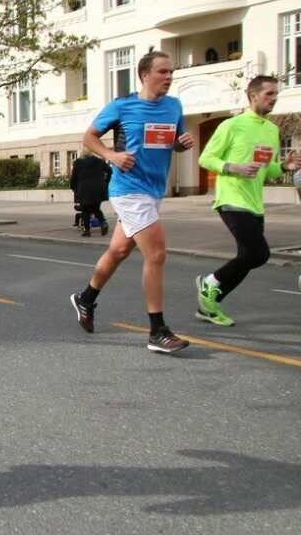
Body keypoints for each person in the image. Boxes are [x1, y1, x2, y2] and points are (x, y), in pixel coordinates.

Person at [69, 50, 195, 354]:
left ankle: (85, 298)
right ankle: (157, 331)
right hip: (128, 190)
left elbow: (169, 142)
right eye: (163, 72)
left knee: (119, 250)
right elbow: (89, 137)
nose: (169, 76)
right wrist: (111, 156)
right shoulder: (122, 107)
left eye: (171, 72)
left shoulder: (174, 106)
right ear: (144, 75)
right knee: (157, 254)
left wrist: (180, 144)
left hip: (154, 191)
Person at [195, 75, 299, 326]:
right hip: (231, 199)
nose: (274, 99)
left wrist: (284, 166)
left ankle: (209, 305)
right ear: (253, 95)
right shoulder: (232, 125)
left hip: (255, 203)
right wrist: (234, 167)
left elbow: (267, 170)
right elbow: (206, 159)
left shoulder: (272, 129)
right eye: (269, 94)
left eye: (276, 94)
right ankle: (209, 282)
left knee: (248, 257)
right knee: (259, 253)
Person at [70, 147, 111, 237]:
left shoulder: (78, 162)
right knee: (96, 209)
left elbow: (74, 177)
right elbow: (110, 171)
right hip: (98, 189)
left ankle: (87, 231)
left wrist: (73, 187)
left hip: (84, 189)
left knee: (85, 211)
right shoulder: (99, 161)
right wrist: (105, 182)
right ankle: (103, 223)